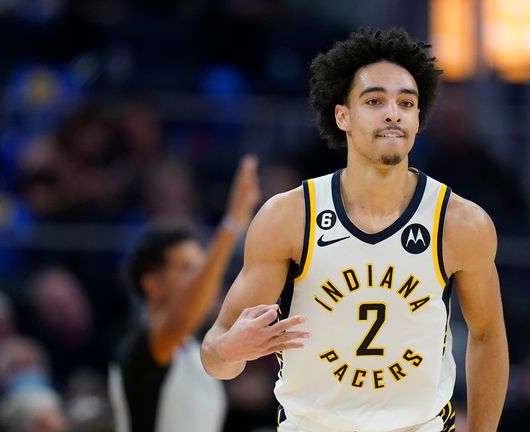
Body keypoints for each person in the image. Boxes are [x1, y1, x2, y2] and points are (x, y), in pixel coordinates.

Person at [201, 28, 509, 432]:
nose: (393, 112)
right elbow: (215, 356)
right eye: (375, 100)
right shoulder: (289, 217)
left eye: (406, 102)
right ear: (342, 114)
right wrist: (230, 348)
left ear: (418, 117)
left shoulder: (461, 223)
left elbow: (487, 337)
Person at [108, 155, 260, 432]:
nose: (205, 279)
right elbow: (179, 321)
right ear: (153, 285)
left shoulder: (195, 347)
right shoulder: (141, 344)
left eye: (203, 269)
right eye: (188, 269)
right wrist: (230, 226)